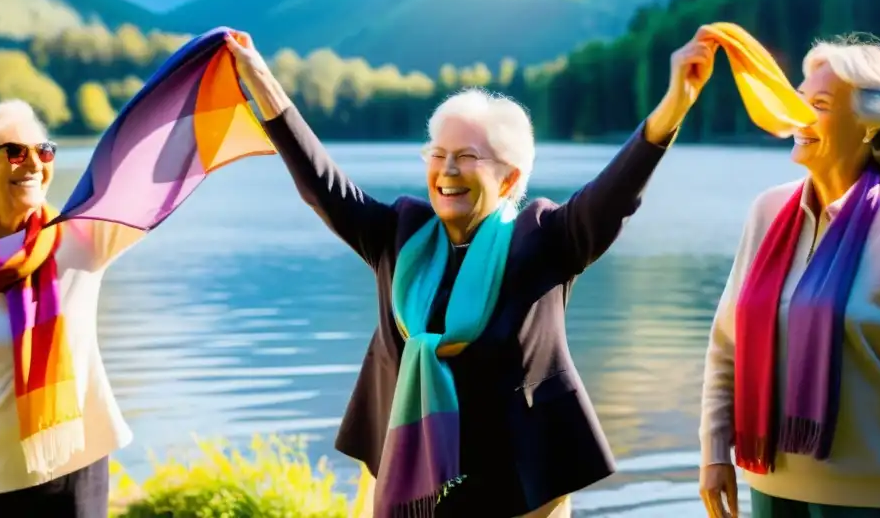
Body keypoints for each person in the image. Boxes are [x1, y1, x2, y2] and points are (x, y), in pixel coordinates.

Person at [225, 29, 716, 518]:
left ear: (510, 178)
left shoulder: (544, 238)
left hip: (521, 492)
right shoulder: (400, 234)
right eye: (437, 154)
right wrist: (262, 83)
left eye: (466, 156)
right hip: (411, 484)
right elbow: (323, 186)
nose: (447, 170)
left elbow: (617, 192)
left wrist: (673, 107)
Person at [698, 36, 880, 518]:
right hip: (768, 489)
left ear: (873, 128)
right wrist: (715, 452)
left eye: (819, 105)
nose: (798, 117)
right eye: (798, 100)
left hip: (878, 502)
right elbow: (726, 345)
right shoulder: (767, 211)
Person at [0, 100, 142, 516]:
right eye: (16, 152)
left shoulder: (84, 239)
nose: (34, 163)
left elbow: (146, 168)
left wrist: (206, 69)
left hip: (71, 477)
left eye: (44, 150)